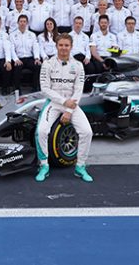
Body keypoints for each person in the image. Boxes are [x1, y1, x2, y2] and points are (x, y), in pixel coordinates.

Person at [35, 33, 94, 182]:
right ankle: (44, 165)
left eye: (66, 45)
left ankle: (80, 166)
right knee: (41, 131)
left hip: (72, 104)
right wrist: (63, 101)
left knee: (87, 132)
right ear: (56, 46)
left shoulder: (78, 65)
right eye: (60, 45)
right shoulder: (47, 64)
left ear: (71, 47)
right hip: (54, 103)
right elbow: (45, 89)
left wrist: (69, 110)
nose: (63, 48)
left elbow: (78, 90)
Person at [10, 14, 41, 93]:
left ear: (27, 23)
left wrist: (37, 58)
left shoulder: (32, 35)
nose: (22, 23)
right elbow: (11, 49)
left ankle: (35, 87)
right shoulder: (12, 35)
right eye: (21, 21)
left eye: (24, 21)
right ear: (18, 23)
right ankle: (17, 89)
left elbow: (35, 47)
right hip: (18, 58)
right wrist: (16, 59)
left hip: (29, 57)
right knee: (17, 67)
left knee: (37, 66)